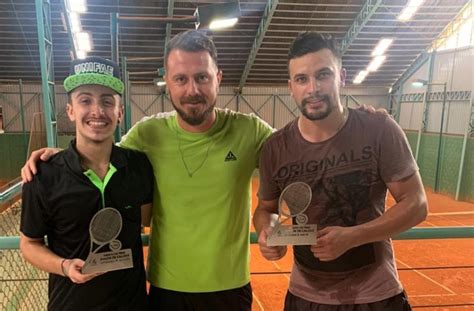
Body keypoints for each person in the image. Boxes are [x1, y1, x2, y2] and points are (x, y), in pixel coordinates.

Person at [20, 30, 382, 310]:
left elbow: (303, 149)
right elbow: (99, 147)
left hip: (230, 290)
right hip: (165, 291)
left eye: (202, 78)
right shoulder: (147, 135)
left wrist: (352, 121)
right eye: (181, 79)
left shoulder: (250, 131)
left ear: (218, 78)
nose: (192, 89)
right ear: (168, 82)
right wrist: (59, 155)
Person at [253, 31, 428, 310]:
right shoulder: (275, 148)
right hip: (305, 298)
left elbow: (417, 204)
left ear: (341, 77)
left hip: (376, 296)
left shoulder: (379, 129)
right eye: (302, 79)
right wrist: (267, 232)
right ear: (291, 86)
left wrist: (354, 236)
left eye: (323, 74)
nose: (313, 88)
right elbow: (266, 209)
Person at [20, 56, 153, 311]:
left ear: (120, 112)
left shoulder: (139, 166)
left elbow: (147, 219)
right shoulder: (44, 175)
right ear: (70, 110)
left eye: (107, 101)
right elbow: (29, 244)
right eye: (85, 100)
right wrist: (65, 266)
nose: (97, 111)